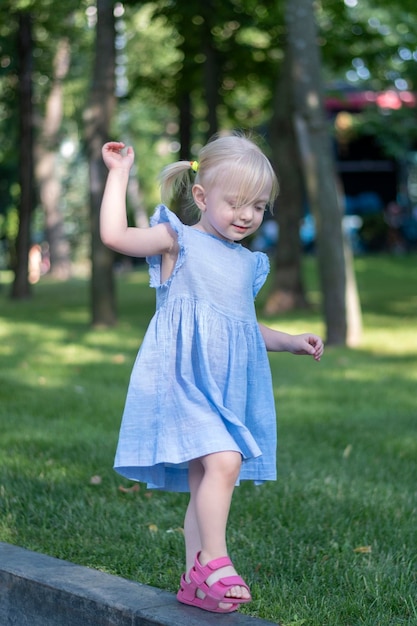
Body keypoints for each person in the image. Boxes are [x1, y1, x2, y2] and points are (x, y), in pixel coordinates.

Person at [100, 133, 324, 614]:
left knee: (209, 472)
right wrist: (119, 175)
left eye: (258, 206)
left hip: (224, 385)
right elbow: (116, 237)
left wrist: (289, 340)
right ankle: (215, 562)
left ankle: (194, 581)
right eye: (236, 203)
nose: (246, 215)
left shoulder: (246, 263)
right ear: (201, 197)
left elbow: (242, 324)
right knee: (225, 461)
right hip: (181, 378)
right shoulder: (177, 239)